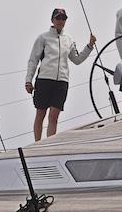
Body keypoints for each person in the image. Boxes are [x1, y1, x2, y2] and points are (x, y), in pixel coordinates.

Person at [25, 8, 96, 141]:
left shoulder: (68, 39)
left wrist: (89, 46)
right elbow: (33, 60)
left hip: (62, 81)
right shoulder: (43, 38)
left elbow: (77, 59)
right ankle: (38, 145)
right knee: (40, 113)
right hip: (44, 79)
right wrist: (28, 80)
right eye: (58, 18)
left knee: (54, 117)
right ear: (52, 20)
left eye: (63, 18)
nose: (61, 21)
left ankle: (50, 145)